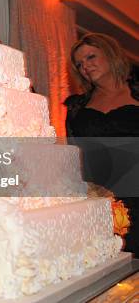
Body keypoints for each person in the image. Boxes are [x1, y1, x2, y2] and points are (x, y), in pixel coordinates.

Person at [65, 32, 138, 255]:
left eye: (91, 57)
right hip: (104, 196)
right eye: (79, 63)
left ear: (110, 54)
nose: (85, 66)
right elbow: (74, 155)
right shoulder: (77, 107)